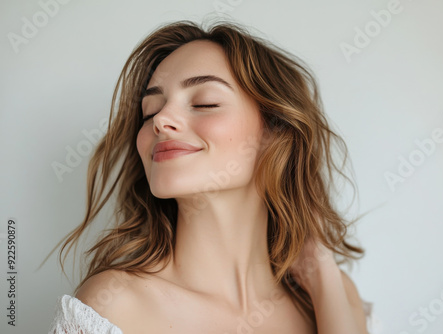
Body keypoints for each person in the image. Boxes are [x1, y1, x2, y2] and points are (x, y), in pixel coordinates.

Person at [48, 19, 373, 334]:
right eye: (150, 111)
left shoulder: (333, 303)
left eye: (205, 103)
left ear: (275, 132)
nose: (160, 121)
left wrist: (324, 277)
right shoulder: (114, 308)